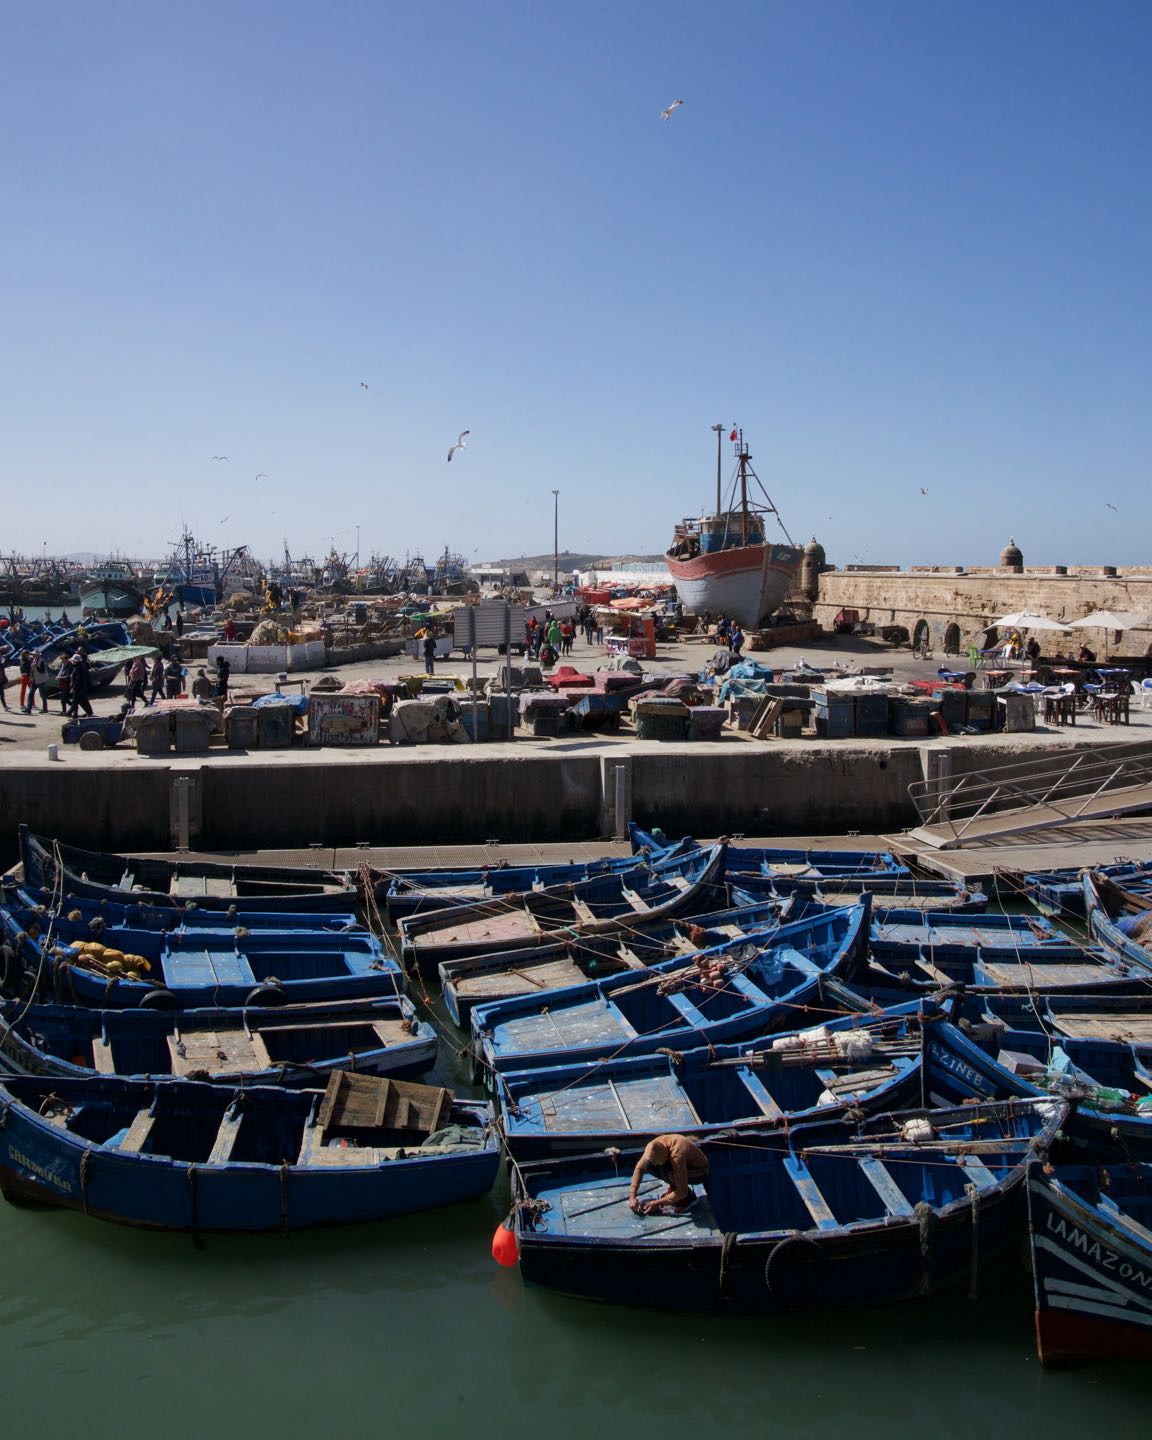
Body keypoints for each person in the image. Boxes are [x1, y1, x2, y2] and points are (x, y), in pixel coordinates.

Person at [627, 1134, 709, 1215]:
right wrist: (632, 1196)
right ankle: (674, 1189)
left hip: (699, 1171)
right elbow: (639, 1168)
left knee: (666, 1171)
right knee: (649, 1166)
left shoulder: (677, 1155)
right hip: (676, 1163)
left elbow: (682, 1191)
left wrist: (658, 1203)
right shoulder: (652, 1146)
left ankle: (688, 1198)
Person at [69, 648, 93, 719]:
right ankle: (89, 712)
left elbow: (78, 679)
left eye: (73, 660)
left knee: (75, 701)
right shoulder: (83, 665)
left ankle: (74, 715)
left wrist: (74, 688)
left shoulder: (77, 668)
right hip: (83, 686)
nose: (72, 662)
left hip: (78, 687)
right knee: (84, 700)